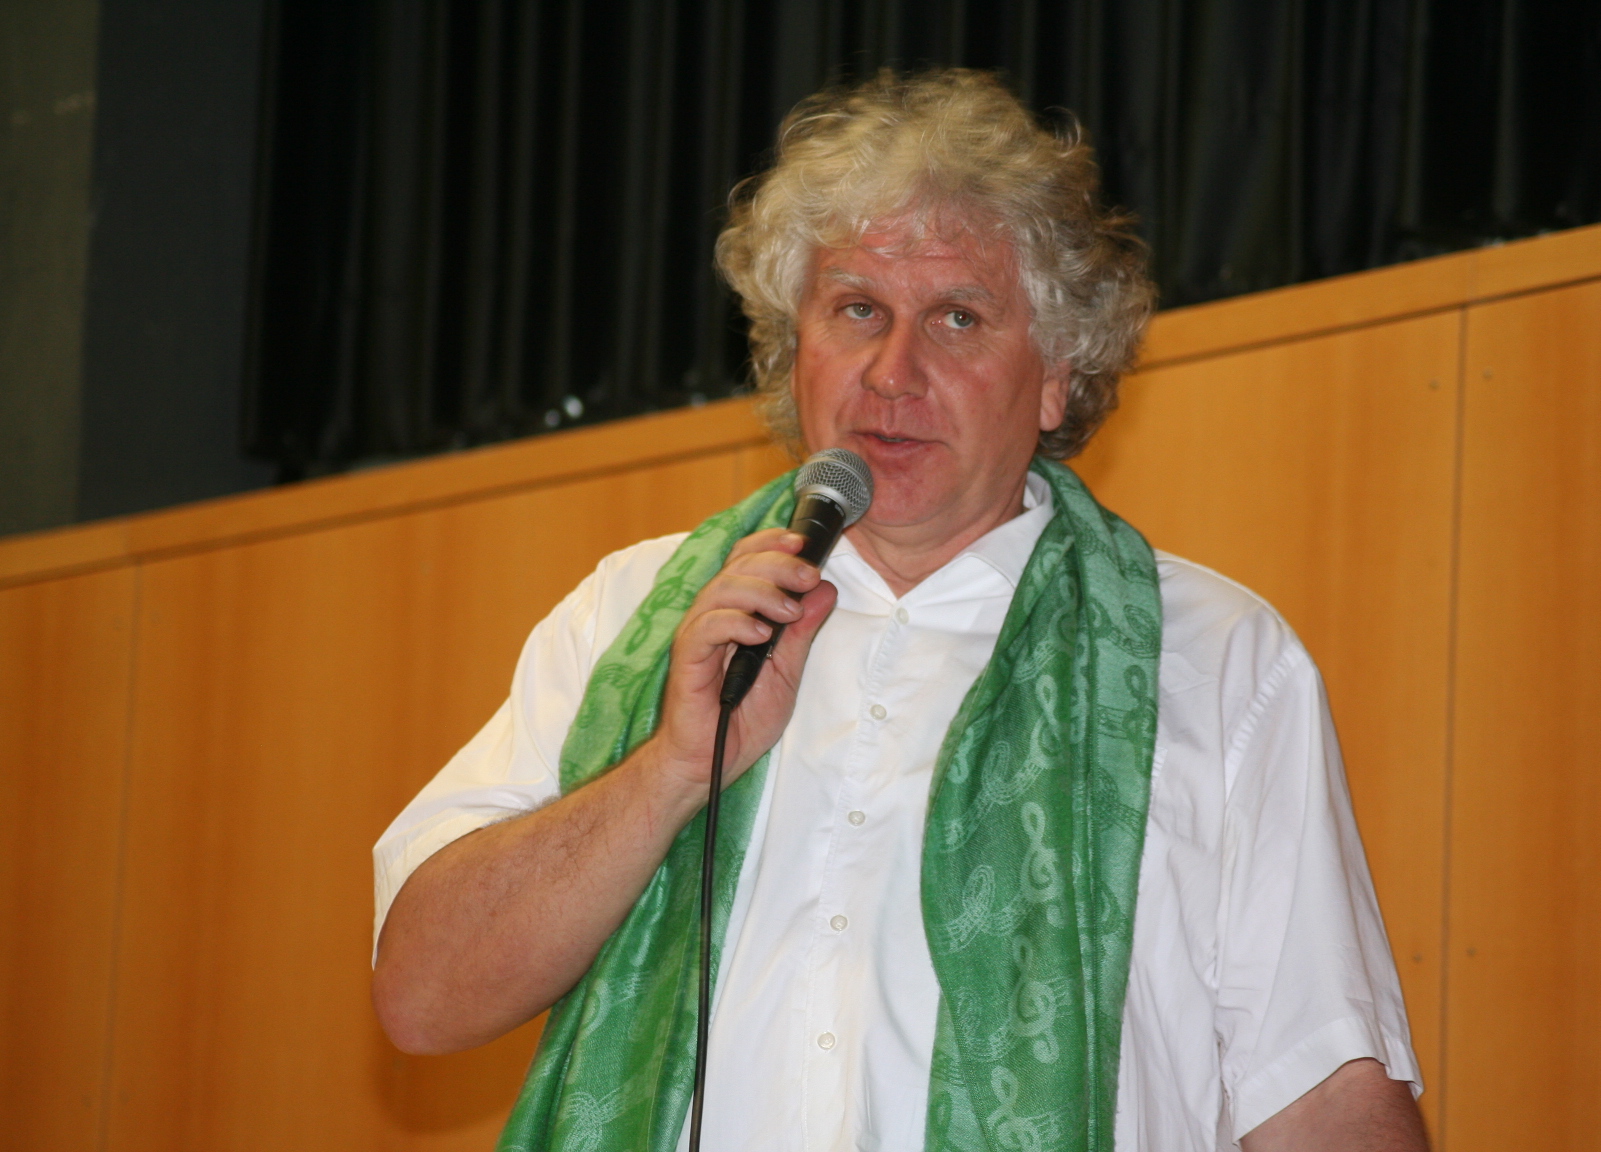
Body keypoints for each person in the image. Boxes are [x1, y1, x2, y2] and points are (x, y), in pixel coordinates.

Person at [372, 70, 1428, 1152]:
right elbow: (421, 996)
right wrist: (671, 770)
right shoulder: (633, 614)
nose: (893, 371)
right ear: (793, 347)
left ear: (1057, 375)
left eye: (958, 318)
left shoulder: (1214, 657)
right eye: (857, 310)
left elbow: (1323, 1091)